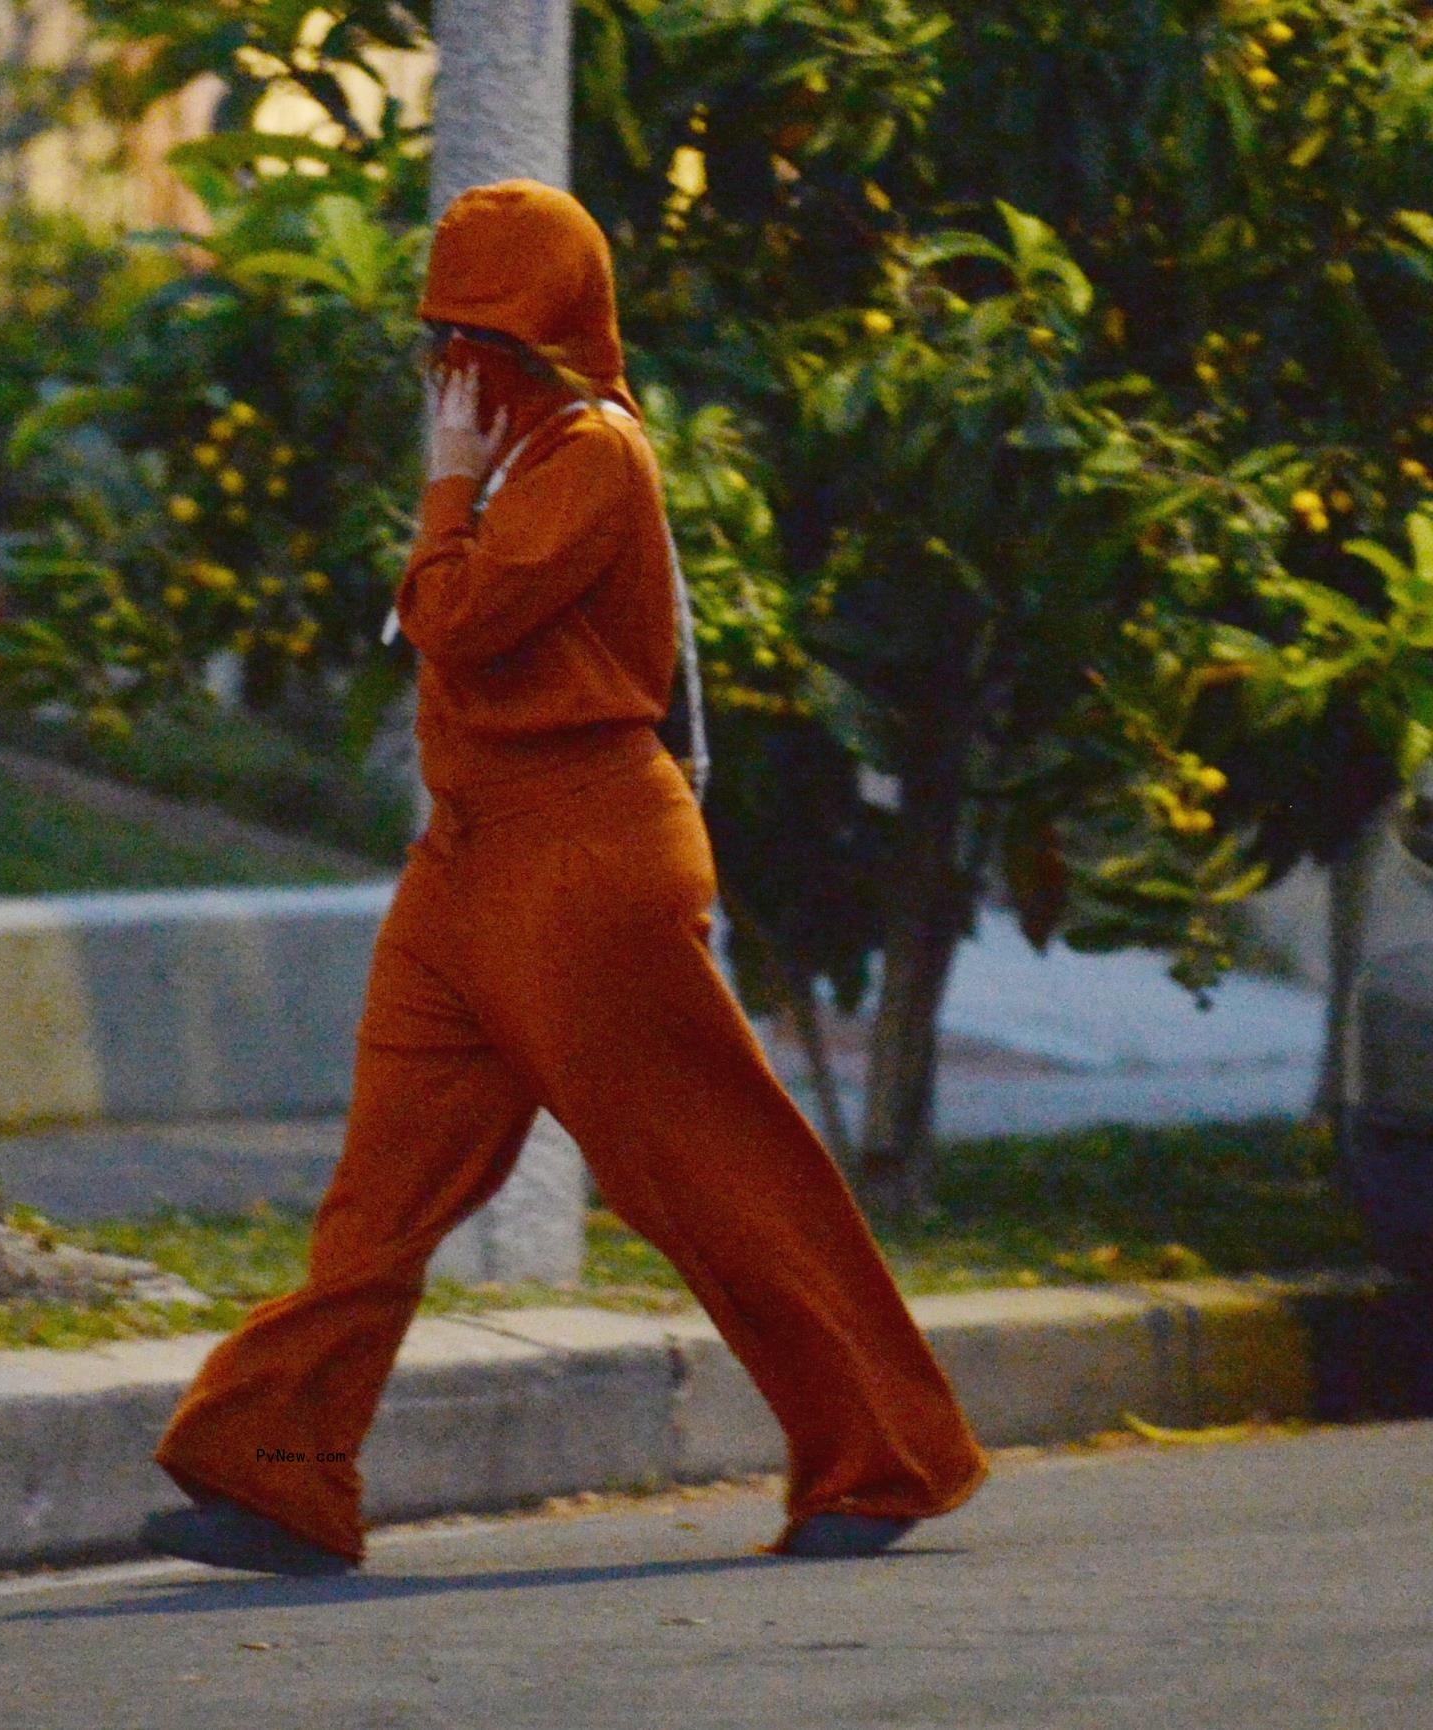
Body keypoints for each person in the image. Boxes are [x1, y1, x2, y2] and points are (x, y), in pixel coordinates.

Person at [142, 179, 989, 1576]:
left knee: (712, 1179)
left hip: (587, 861)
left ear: (529, 344)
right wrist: (462, 488)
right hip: (466, 865)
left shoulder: (593, 456)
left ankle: (884, 1452)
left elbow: (456, 620)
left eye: (464, 335)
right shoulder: (528, 462)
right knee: (381, 1194)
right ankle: (276, 1472)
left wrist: (444, 488)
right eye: (435, 334)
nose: (440, 366)